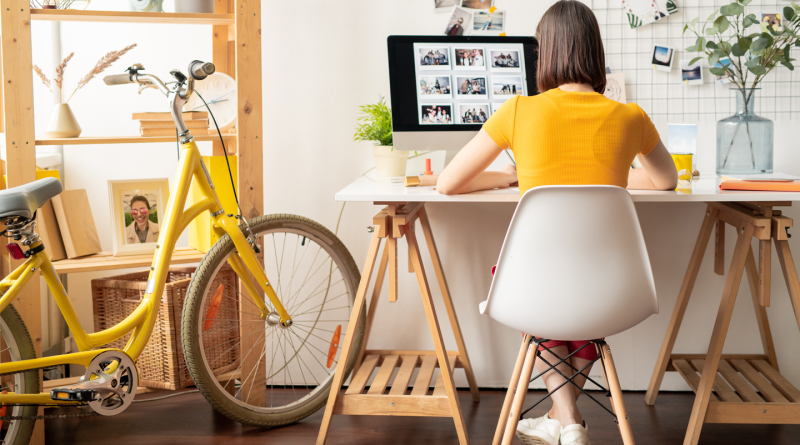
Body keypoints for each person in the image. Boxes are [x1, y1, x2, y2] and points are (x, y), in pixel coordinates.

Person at [436, 2, 677, 444]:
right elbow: (666, 181)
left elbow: (448, 183)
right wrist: (618, 177)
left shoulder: (518, 111)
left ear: (544, 53)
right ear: (596, 52)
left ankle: (565, 424)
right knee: (583, 291)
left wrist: (513, 174)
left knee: (536, 285)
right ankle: (565, 421)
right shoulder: (630, 116)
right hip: (611, 289)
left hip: (534, 288)